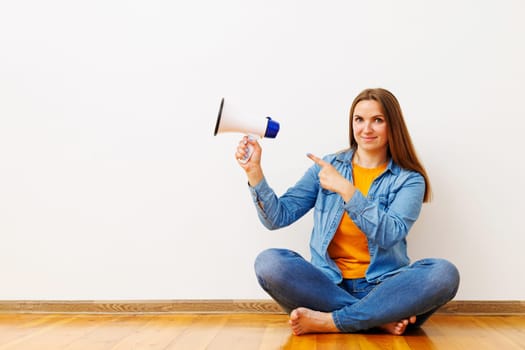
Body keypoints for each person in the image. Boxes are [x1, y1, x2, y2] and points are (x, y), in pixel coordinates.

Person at [235, 88, 460, 336]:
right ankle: (376, 318)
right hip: (326, 286)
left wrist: (346, 190)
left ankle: (331, 321)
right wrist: (253, 171)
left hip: (385, 287)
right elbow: (277, 217)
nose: (366, 129)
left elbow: (389, 234)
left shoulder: (409, 180)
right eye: (359, 119)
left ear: (392, 125)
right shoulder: (328, 166)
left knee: (443, 274)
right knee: (270, 263)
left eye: (378, 120)